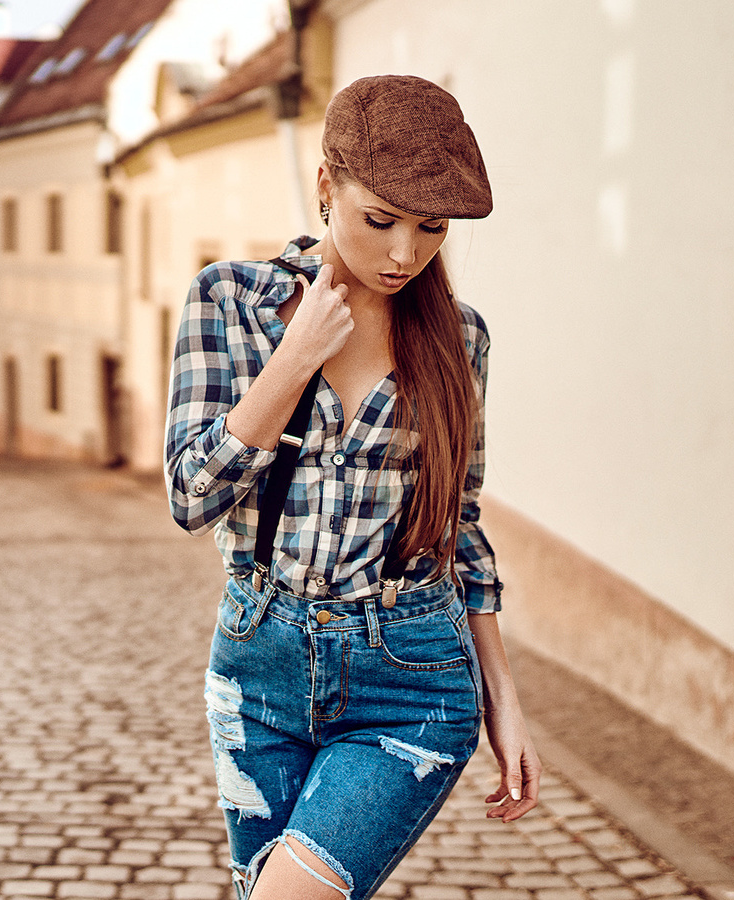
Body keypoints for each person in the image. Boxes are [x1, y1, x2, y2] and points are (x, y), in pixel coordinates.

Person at [164, 75, 541, 900]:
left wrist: (501, 698)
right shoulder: (231, 301)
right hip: (257, 665)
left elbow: (458, 526)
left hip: (409, 677)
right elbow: (191, 496)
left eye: (431, 228)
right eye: (381, 221)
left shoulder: (460, 339)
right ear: (327, 186)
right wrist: (293, 359)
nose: (405, 254)